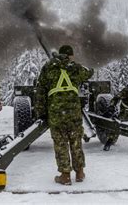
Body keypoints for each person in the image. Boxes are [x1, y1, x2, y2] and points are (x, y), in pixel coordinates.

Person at [35, 45, 94, 185]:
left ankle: (65, 175)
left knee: (61, 143)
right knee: (76, 141)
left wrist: (41, 112)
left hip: (56, 111)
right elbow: (89, 73)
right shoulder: (75, 67)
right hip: (73, 110)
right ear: (70, 55)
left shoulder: (48, 67)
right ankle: (79, 173)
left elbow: (40, 90)